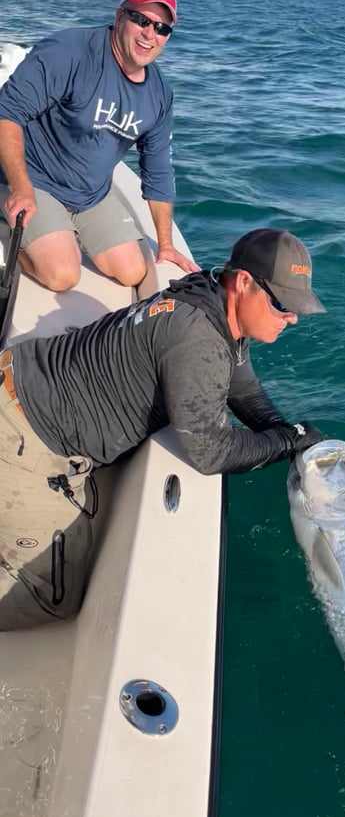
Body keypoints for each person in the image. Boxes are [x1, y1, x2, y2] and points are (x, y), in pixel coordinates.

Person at [0, 227, 326, 628]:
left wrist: (287, 434)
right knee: (51, 599)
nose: (291, 319)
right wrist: (285, 440)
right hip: (24, 433)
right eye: (282, 305)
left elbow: (243, 388)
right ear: (244, 283)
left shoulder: (207, 295)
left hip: (24, 380)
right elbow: (211, 453)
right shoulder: (198, 339)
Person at [0, 0, 198, 292]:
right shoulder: (70, 51)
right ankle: (9, 229)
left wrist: (166, 243)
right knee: (63, 274)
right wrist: (21, 187)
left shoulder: (159, 94)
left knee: (133, 271)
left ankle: (59, 230)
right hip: (36, 179)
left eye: (162, 28)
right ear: (120, 16)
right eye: (141, 20)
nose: (150, 34)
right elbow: (6, 113)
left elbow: (158, 172)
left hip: (91, 194)